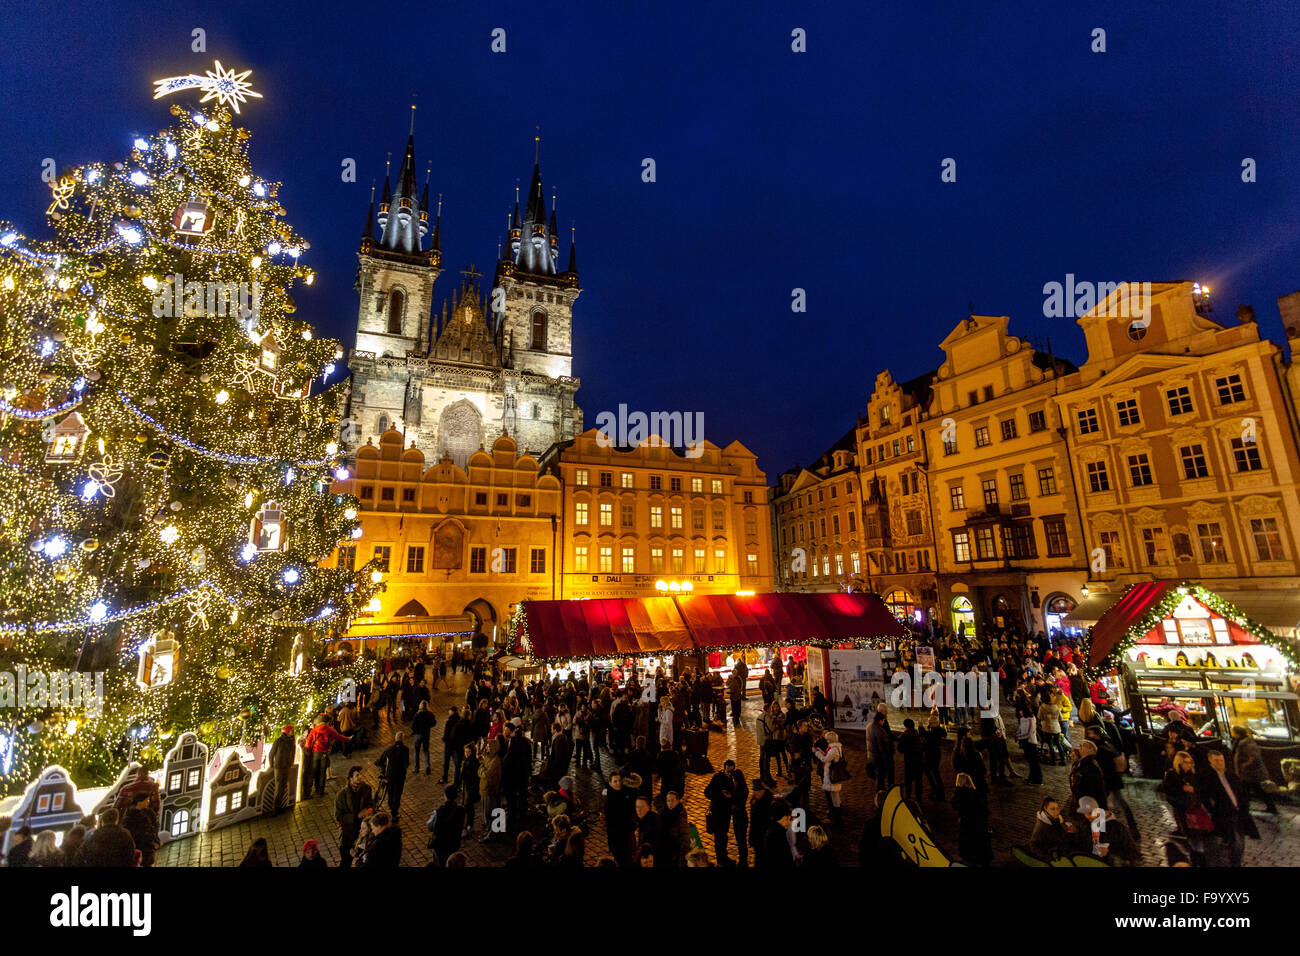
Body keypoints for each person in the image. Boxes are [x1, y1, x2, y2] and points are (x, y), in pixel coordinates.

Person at [1200, 748, 1260, 868]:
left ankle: (1234, 861)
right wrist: (1212, 811)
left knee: (1239, 842)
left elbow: (1242, 793)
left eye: (1221, 760)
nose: (1220, 763)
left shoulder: (1231, 775)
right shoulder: (1208, 777)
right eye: (1216, 761)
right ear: (1210, 762)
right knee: (1234, 842)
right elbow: (1204, 797)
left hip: (1239, 812)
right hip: (1224, 814)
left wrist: (1244, 806)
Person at [334, 765, 374, 868]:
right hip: (348, 834)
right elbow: (339, 816)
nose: (360, 777)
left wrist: (369, 810)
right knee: (346, 861)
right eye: (357, 775)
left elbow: (371, 804)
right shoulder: (341, 795)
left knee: (364, 861)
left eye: (361, 775)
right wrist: (356, 816)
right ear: (350, 778)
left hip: (363, 833)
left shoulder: (366, 789)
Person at [1231, 725, 1278, 814]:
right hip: (1248, 773)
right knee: (1250, 791)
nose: (1231, 733)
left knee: (1255, 790)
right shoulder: (1242, 741)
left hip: (1251, 773)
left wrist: (1244, 765)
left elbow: (1254, 757)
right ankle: (1246, 808)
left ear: (1237, 733)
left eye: (1233, 731)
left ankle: (1245, 809)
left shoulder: (1245, 743)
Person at [304, 715, 350, 797]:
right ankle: (320, 791)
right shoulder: (328, 729)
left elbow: (308, 740)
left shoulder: (315, 729)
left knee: (314, 772)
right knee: (322, 772)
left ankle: (309, 791)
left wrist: (307, 749)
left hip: (315, 753)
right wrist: (347, 739)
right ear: (327, 722)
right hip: (324, 754)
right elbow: (338, 736)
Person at [952, 772, 991, 866]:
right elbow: (984, 809)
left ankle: (970, 858)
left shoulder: (957, 794)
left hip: (966, 822)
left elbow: (955, 806)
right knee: (979, 841)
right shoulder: (974, 793)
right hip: (977, 821)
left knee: (968, 842)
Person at [374, 731, 410, 818]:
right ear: (403, 739)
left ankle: (391, 806)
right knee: (397, 793)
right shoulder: (405, 749)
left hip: (390, 775)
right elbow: (407, 763)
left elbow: (380, 760)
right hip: (400, 776)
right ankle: (394, 811)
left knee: (390, 792)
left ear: (395, 739)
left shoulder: (389, 749)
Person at [814, 730, 846, 825]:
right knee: (835, 797)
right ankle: (836, 817)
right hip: (832, 776)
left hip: (832, 777)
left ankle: (837, 819)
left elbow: (825, 759)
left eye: (828, 739)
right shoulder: (834, 748)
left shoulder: (834, 750)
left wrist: (816, 753)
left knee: (835, 798)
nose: (827, 741)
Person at [264, 725, 297, 816]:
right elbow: (271, 754)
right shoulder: (279, 741)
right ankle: (275, 808)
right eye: (291, 730)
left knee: (283, 787)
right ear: (287, 731)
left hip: (287, 766)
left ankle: (280, 806)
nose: (293, 732)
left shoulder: (291, 741)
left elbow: (293, 753)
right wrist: (271, 764)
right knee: (278, 788)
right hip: (279, 766)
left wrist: (291, 762)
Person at [121, 790, 159, 867]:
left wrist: (155, 840)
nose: (148, 802)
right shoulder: (131, 815)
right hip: (140, 845)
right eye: (147, 800)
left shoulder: (148, 811)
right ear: (140, 802)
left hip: (148, 845)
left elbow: (155, 824)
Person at [1028, 796, 1071, 861]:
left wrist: (1063, 825)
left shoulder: (1056, 819)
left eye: (1057, 808)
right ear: (1045, 808)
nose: (1056, 811)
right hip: (1055, 857)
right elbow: (1033, 845)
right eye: (1053, 809)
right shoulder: (1040, 827)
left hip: (1064, 852)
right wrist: (1049, 858)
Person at [760, 800, 798, 869]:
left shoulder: (778, 830)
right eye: (787, 819)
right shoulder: (776, 836)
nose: (789, 822)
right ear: (779, 818)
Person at [867, 711, 895, 792]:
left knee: (879, 774)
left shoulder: (871, 726)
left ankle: (880, 790)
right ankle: (880, 792)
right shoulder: (880, 730)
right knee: (881, 775)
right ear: (880, 720)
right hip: (879, 757)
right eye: (883, 721)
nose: (884, 722)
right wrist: (885, 758)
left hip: (873, 755)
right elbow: (882, 747)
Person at [899, 718, 924, 802]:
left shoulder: (905, 735)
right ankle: (919, 796)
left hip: (909, 760)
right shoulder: (916, 733)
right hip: (919, 760)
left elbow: (900, 749)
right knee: (918, 779)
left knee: (909, 779)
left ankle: (908, 794)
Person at [922, 715, 946, 800]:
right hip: (936, 754)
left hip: (931, 754)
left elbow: (925, 735)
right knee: (935, 773)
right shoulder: (938, 731)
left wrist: (921, 728)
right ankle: (938, 790)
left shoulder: (933, 733)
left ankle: (938, 791)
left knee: (932, 773)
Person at [1037, 694, 1065, 765]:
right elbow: (1061, 718)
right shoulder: (1056, 707)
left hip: (1047, 727)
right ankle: (1062, 760)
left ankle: (1053, 760)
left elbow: (1039, 717)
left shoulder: (1042, 707)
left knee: (1050, 744)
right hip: (1056, 727)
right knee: (1058, 743)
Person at [633, 796, 662, 867]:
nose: (639, 810)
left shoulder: (652, 822)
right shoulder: (643, 820)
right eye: (637, 807)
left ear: (648, 807)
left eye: (642, 807)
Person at [411, 701, 436, 775]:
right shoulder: (430, 714)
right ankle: (427, 766)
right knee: (426, 750)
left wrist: (416, 731)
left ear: (420, 706)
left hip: (418, 735)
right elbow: (434, 723)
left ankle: (416, 768)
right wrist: (428, 727)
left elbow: (412, 726)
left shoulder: (417, 714)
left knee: (417, 751)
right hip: (426, 734)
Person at [439, 706, 461, 784]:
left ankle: (445, 777)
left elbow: (446, 734)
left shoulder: (449, 721)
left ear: (452, 711)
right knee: (456, 764)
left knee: (446, 762)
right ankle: (456, 781)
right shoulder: (460, 720)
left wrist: (444, 739)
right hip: (457, 746)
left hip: (449, 745)